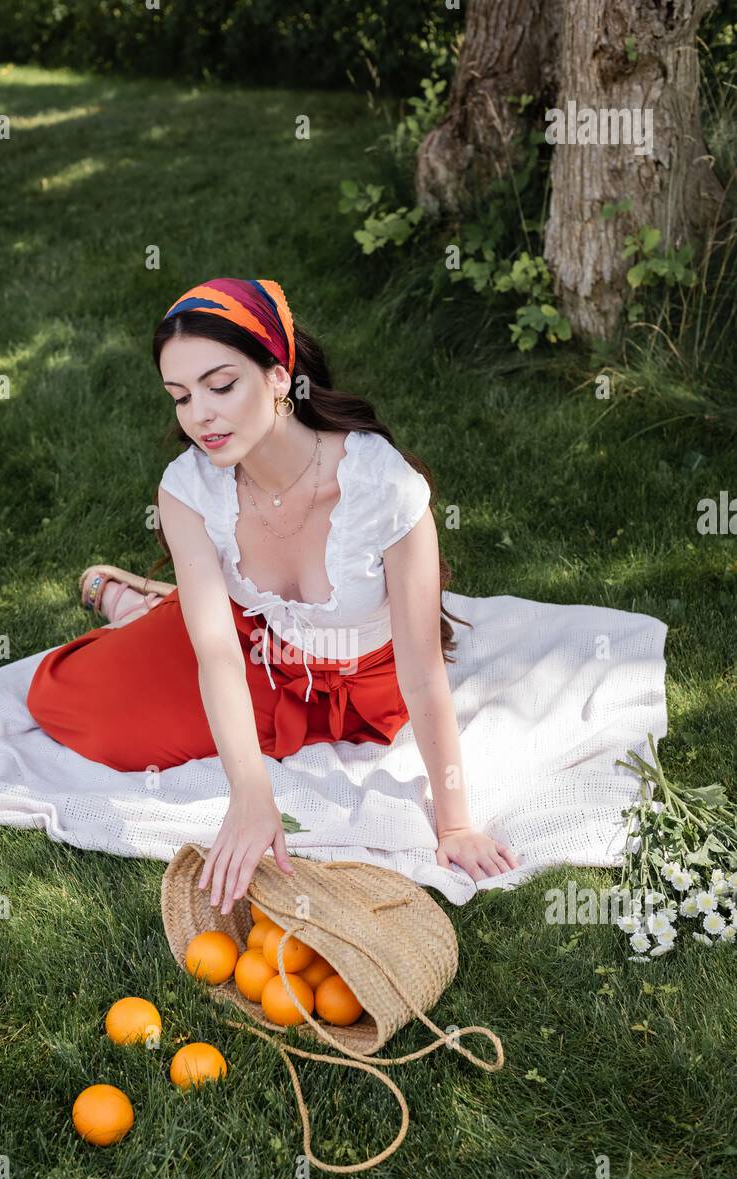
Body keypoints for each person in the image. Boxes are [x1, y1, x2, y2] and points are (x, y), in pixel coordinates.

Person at [26, 276, 519, 914]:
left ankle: (149, 603)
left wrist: (454, 825)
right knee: (72, 705)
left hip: (365, 682)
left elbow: (423, 674)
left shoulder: (381, 486)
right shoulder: (187, 490)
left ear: (279, 377)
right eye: (180, 396)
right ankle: (140, 605)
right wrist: (250, 794)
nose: (199, 415)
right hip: (255, 649)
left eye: (221, 385)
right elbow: (218, 656)